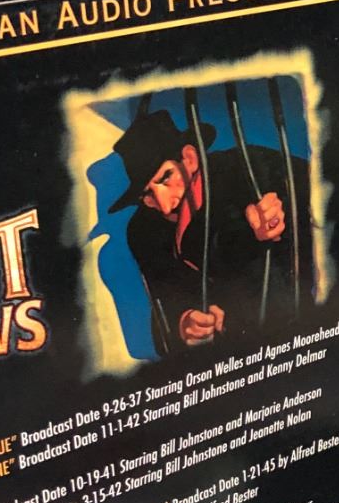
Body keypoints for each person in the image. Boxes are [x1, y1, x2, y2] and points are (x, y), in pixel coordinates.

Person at [109, 105, 302, 355]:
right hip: (219, 358)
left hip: (285, 337)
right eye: (147, 195)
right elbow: (163, 300)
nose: (164, 204)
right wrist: (184, 322)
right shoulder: (142, 230)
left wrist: (279, 216)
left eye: (165, 178)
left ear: (189, 159)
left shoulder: (249, 167)